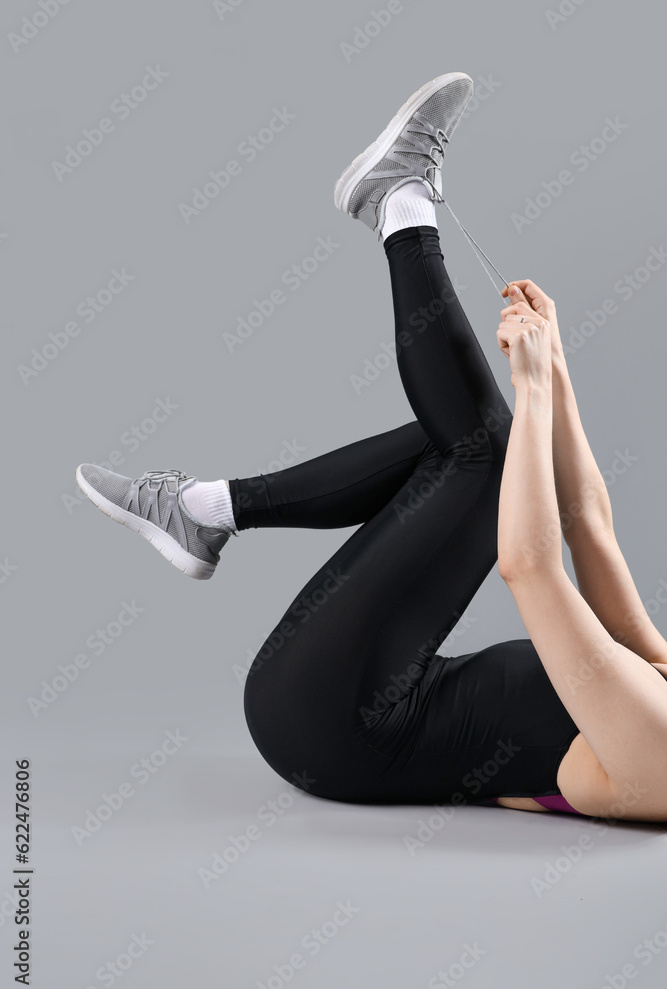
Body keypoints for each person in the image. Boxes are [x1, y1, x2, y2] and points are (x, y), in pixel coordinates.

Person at [76, 73, 667, 822]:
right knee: (476, 439)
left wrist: (534, 394)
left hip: (334, 724)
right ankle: (205, 510)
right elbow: (586, 520)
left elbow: (530, 569)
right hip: (362, 692)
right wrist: (552, 368)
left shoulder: (662, 761)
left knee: (484, 452)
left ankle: (400, 204)